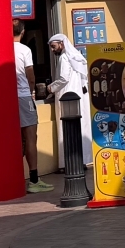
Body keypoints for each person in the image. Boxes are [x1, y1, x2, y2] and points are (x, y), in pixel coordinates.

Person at [45, 33, 92, 173]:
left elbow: (63, 79)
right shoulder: (75, 57)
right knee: (80, 128)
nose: (52, 50)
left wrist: (50, 88)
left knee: (66, 130)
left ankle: (67, 164)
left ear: (61, 43)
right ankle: (81, 161)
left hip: (67, 97)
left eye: (54, 46)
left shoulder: (65, 57)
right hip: (79, 97)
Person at [14, 21, 50, 194]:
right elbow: (31, 77)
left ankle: (13, 176)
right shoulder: (24, 50)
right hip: (23, 96)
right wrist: (30, 93)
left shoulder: (2, 49)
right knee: (30, 137)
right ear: (23, 32)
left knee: (15, 138)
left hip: (7, 99)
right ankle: (34, 180)